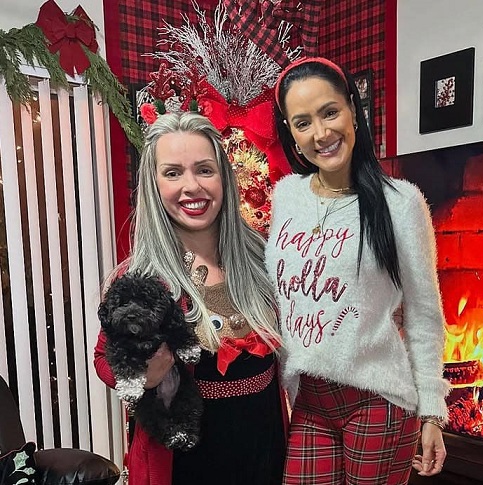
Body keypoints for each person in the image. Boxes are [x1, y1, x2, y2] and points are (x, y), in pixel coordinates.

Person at [267, 57, 449, 484]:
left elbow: (424, 312)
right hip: (310, 401)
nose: (321, 133)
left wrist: (431, 412)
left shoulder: (400, 203)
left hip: (378, 399)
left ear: (352, 108)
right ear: (291, 133)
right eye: (303, 123)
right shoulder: (286, 196)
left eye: (330, 112)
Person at [93, 112, 286, 485]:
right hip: (184, 463)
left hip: (266, 452)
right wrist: (144, 376)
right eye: (173, 173)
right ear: (154, 185)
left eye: (204, 170)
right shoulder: (140, 280)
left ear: (223, 177)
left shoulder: (264, 258)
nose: (192, 186)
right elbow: (103, 358)